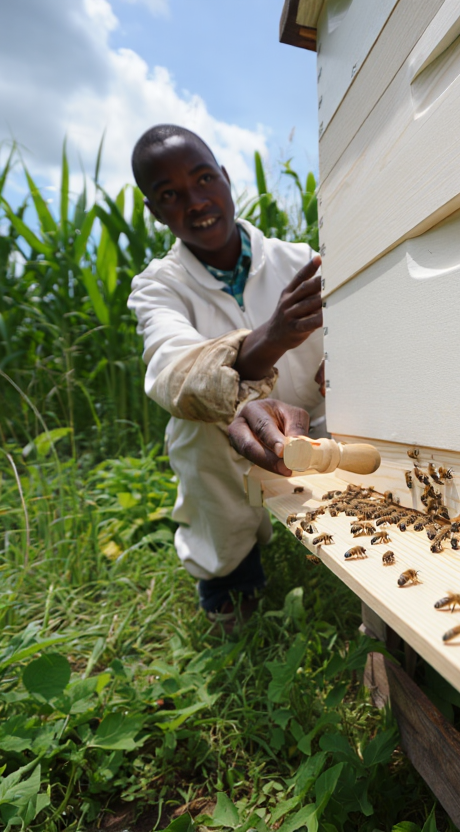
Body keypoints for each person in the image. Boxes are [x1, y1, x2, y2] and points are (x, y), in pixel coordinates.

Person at [127, 124, 323, 632]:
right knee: (194, 425)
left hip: (319, 431)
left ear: (227, 179)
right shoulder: (157, 287)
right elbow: (175, 373)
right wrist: (275, 335)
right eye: (170, 195)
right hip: (231, 444)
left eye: (203, 179)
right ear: (154, 212)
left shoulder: (297, 261)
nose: (195, 202)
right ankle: (232, 579)